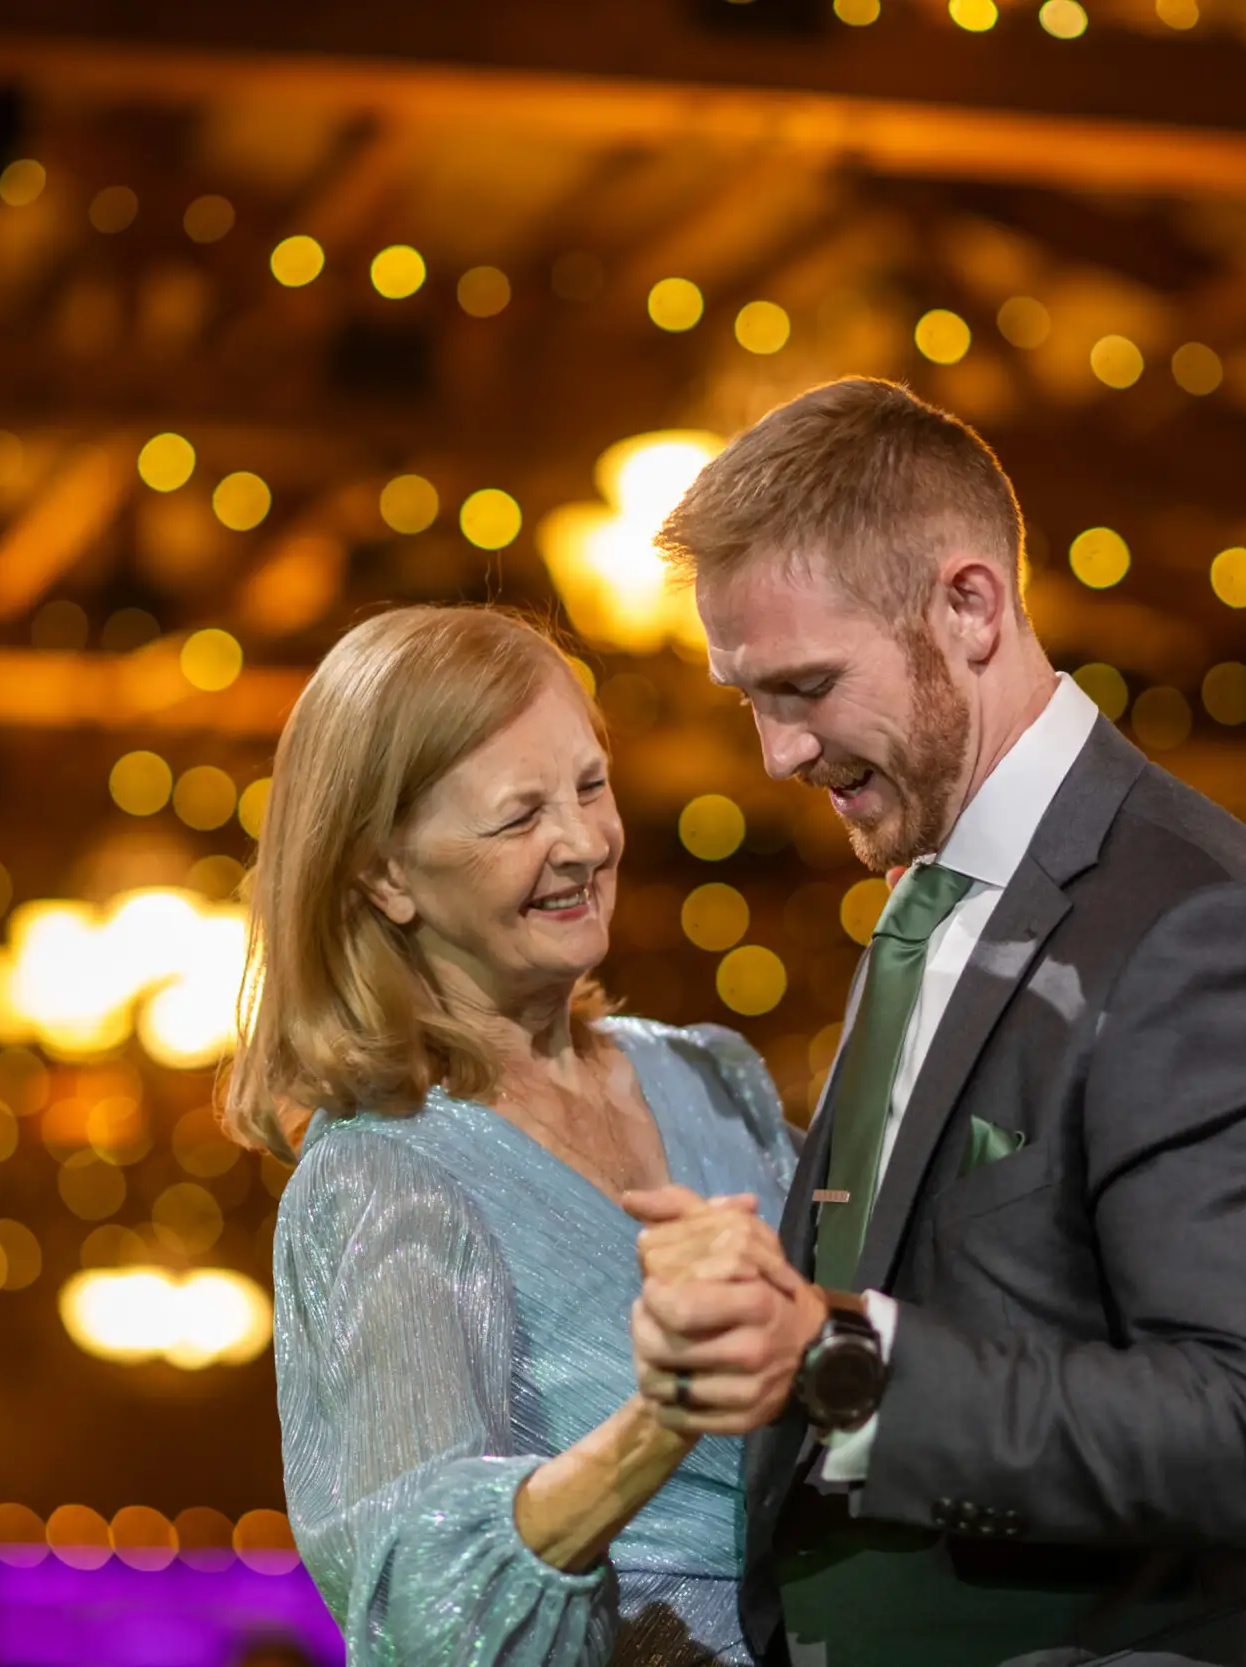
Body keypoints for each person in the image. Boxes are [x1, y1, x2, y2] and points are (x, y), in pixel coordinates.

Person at [623, 377, 1246, 1667]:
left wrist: (844, 1363)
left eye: (806, 685)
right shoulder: (926, 911)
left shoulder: (1205, 933)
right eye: (749, 698)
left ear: (970, 606)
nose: (774, 753)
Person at [229, 606, 797, 1666]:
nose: (583, 842)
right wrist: (653, 1428)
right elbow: (427, 1615)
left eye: (589, 785)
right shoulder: (384, 1177)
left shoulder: (713, 1079)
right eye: (517, 817)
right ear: (382, 875)